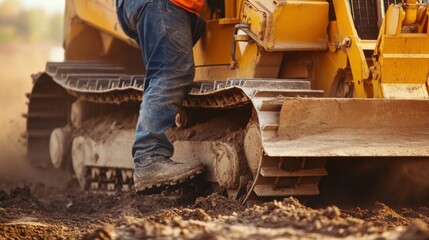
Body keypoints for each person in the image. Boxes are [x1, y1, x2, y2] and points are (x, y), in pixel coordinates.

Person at [116, 0, 206, 194]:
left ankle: (149, 155)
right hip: (163, 4)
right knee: (170, 71)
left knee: (163, 71)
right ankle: (149, 158)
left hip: (163, 6)